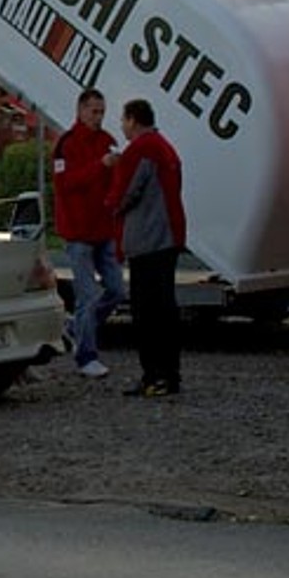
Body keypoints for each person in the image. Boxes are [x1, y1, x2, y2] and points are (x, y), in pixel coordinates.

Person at [108, 98, 187, 398]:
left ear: (132, 119)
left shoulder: (140, 150)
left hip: (148, 240)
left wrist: (109, 203)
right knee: (165, 310)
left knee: (147, 313)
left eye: (123, 120)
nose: (121, 126)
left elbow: (124, 193)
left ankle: (154, 375)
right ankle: (170, 374)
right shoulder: (165, 147)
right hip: (169, 236)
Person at [52, 88, 126, 379]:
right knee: (87, 295)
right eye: (94, 111)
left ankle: (77, 328)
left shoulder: (107, 141)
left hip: (103, 229)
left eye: (102, 112)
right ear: (81, 110)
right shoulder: (66, 144)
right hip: (78, 232)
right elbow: (64, 183)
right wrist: (100, 167)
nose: (98, 117)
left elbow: (115, 181)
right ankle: (86, 356)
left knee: (116, 290)